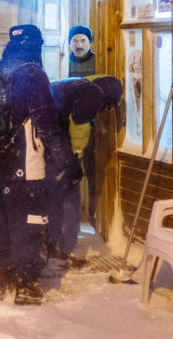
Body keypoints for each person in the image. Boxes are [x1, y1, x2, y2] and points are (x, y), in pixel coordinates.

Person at [0, 24, 83, 305]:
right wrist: (69, 164)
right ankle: (27, 283)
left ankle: (1, 274)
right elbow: (47, 126)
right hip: (23, 167)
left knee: (1, 222)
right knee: (29, 224)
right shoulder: (33, 75)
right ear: (35, 47)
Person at [47, 75, 123, 266]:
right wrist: (73, 160)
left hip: (44, 139)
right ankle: (65, 248)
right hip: (59, 144)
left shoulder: (76, 84)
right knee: (70, 192)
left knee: (53, 191)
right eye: (107, 107)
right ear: (108, 97)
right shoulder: (93, 93)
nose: (103, 111)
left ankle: (51, 242)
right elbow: (78, 127)